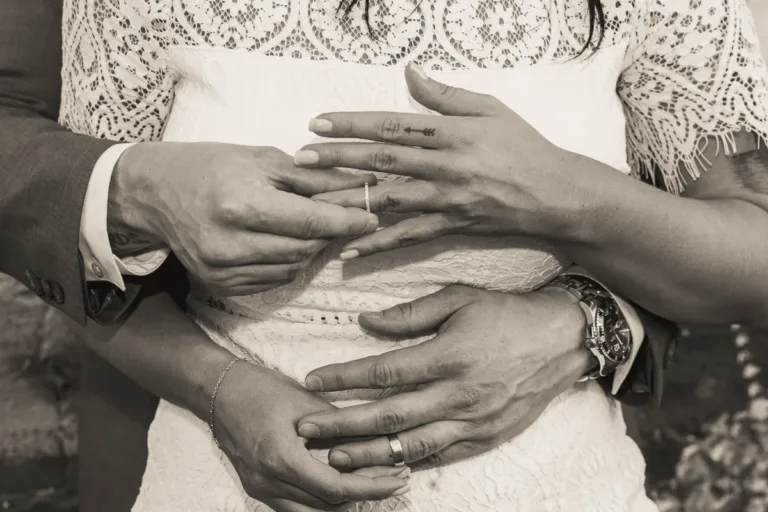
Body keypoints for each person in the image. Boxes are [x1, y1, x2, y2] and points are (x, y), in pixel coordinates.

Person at [0, 0, 756, 511]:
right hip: (220, 475)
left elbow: (752, 248)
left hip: (554, 480)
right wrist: (221, 392)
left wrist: (563, 200)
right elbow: (91, 254)